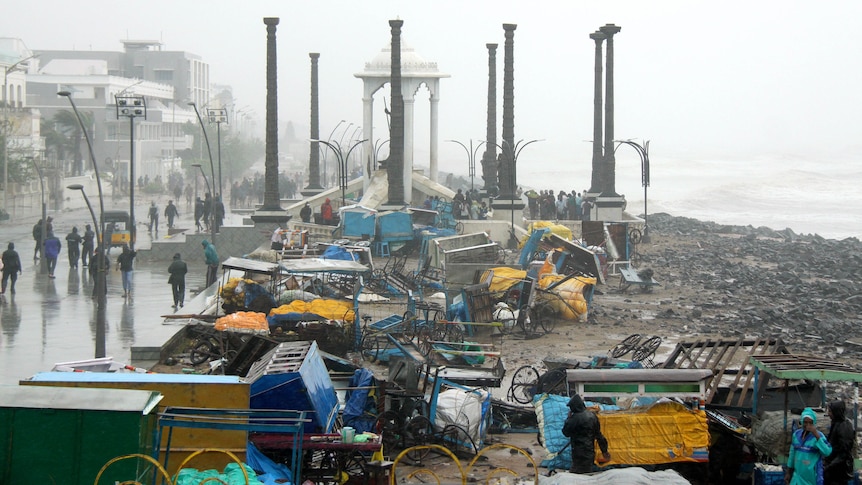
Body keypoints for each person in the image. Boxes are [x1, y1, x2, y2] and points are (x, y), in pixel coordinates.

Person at [561, 394, 610, 474]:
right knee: (587, 473)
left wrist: (568, 419)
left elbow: (566, 432)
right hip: (589, 452)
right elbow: (599, 436)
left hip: (578, 453)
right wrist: (604, 451)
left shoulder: (574, 419)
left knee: (577, 475)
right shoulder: (592, 416)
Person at [786, 407, 832, 485]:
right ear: (802, 422)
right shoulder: (796, 435)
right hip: (797, 478)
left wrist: (816, 435)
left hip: (811, 478)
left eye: (810, 423)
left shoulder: (818, 436)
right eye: (805, 422)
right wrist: (788, 472)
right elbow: (792, 454)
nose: (808, 425)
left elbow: (827, 452)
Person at [824, 400, 855, 485]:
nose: (829, 413)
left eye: (830, 411)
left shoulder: (844, 427)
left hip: (839, 471)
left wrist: (828, 466)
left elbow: (843, 453)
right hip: (832, 470)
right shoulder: (836, 423)